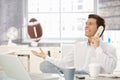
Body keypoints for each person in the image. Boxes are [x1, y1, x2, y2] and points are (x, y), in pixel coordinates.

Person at [31, 14, 117, 74]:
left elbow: (110, 69)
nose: (86, 26)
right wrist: (45, 57)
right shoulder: (78, 46)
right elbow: (64, 63)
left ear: (100, 28)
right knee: (45, 65)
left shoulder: (109, 48)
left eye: (90, 24)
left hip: (92, 77)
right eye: (86, 24)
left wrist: (98, 48)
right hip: (76, 75)